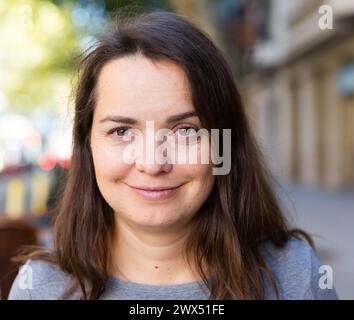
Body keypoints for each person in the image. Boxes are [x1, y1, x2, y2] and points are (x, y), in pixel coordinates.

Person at [8, 11, 337, 300]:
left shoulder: (294, 275)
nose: (152, 163)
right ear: (88, 145)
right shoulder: (40, 287)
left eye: (185, 131)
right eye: (122, 131)